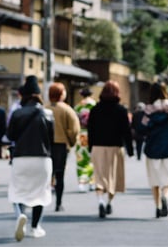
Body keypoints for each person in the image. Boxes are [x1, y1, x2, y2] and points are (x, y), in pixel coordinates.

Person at [8, 75, 54, 241]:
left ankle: (21, 215)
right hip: (42, 159)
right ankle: (35, 227)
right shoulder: (48, 114)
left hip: (20, 157)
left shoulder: (18, 113)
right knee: (40, 193)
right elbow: (52, 139)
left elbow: (10, 135)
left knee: (18, 191)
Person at [136, 83, 168, 218]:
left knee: (154, 181)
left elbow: (140, 129)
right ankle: (165, 197)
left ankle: (158, 206)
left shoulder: (148, 111)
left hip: (152, 150)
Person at [87, 81, 133, 219]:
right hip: (115, 147)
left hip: (97, 146)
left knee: (100, 177)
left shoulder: (95, 109)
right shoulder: (121, 110)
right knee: (113, 177)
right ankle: (108, 202)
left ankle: (100, 200)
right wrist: (130, 149)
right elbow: (126, 132)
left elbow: (91, 130)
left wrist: (90, 147)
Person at [45, 82, 80, 212]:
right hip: (60, 145)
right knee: (60, 175)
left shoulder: (45, 108)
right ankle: (58, 203)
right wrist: (70, 142)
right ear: (61, 94)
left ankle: (41, 201)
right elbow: (74, 129)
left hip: (46, 145)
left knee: (47, 174)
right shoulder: (66, 109)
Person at [74, 88, 96, 192]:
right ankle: (92, 181)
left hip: (81, 134)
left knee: (81, 159)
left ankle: (82, 182)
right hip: (93, 134)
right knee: (93, 158)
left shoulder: (78, 107)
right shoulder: (94, 105)